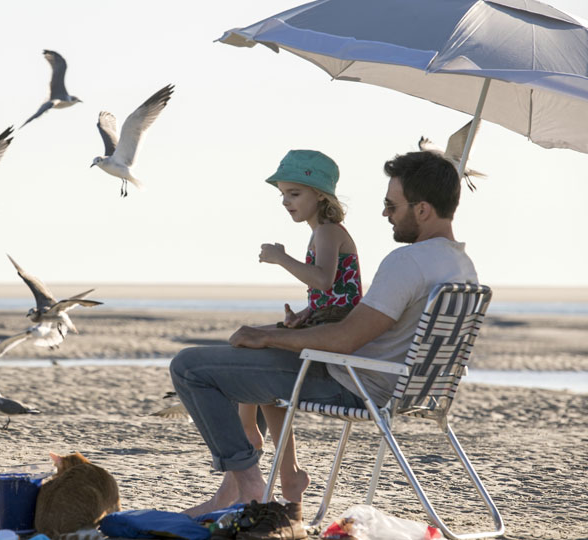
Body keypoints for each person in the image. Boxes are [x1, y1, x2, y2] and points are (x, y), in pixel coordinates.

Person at [169, 151, 477, 535]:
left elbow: (344, 339)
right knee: (263, 355)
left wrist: (268, 334)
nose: (385, 214)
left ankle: (248, 487)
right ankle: (268, 481)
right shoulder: (462, 266)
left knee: (189, 367)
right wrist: (292, 329)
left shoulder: (408, 262)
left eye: (391, 205)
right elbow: (369, 326)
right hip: (400, 385)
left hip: (354, 383)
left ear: (424, 209)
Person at [238, 149, 363, 457]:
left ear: (320, 195)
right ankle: (270, 445)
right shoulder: (321, 233)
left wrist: (281, 258)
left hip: (334, 330)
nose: (286, 201)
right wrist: (306, 313)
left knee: (246, 342)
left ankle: (249, 430)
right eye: (282, 194)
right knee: (247, 344)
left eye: (294, 193)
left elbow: (322, 279)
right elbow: (335, 289)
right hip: (324, 320)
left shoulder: (328, 231)